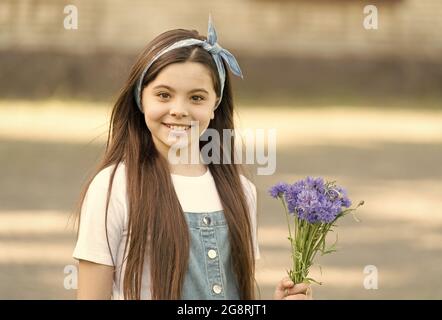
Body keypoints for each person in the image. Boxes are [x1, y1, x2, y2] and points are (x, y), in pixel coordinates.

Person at [72, 14, 311, 300]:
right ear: (140, 97)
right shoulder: (113, 187)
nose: (179, 110)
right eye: (163, 95)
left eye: (196, 98)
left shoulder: (240, 192)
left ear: (215, 104)